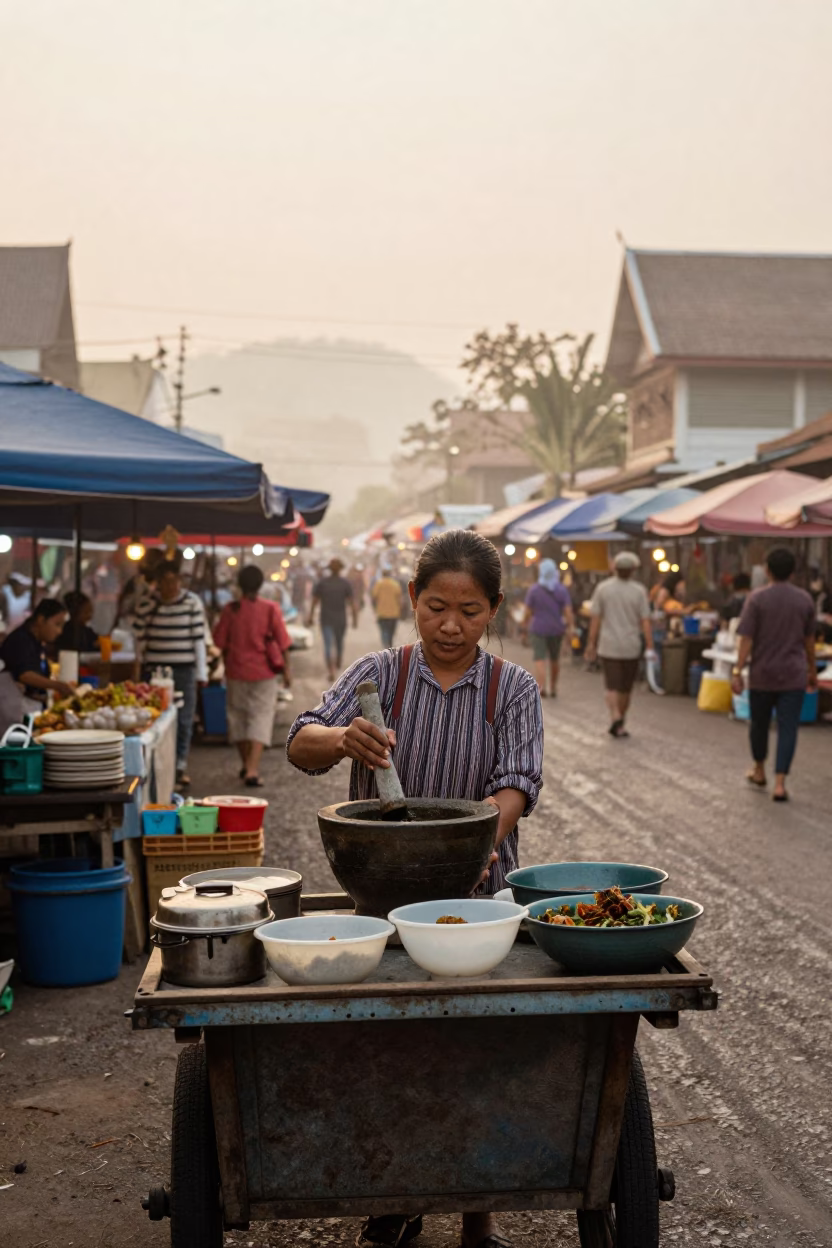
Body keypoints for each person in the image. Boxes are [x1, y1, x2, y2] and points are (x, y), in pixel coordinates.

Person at [287, 529, 542, 1248]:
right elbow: (301, 741)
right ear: (412, 600)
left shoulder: (513, 689)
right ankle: (395, 1199)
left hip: (478, 900)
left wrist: (474, 846)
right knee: (388, 1044)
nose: (451, 626)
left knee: (475, 1048)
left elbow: (517, 784)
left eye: (469, 610)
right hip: (382, 904)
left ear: (494, 610)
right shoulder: (380, 675)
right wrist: (344, 738)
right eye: (436, 608)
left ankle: (478, 1213)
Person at [732, 547, 816, 802]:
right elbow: (809, 640)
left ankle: (759, 769)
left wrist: (737, 670)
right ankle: (780, 783)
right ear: (792, 572)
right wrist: (812, 670)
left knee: (759, 724)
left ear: (767, 570)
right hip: (793, 675)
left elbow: (746, 638)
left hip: (763, 674)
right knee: (788, 727)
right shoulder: (804, 600)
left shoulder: (756, 599)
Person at [213, 565, 292, 788]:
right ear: (260, 585)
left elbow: (218, 643)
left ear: (239, 584)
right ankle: (252, 769)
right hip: (264, 673)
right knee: (261, 716)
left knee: (238, 717)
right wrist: (287, 671)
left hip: (236, 672)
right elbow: (283, 643)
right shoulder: (270, 608)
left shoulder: (231, 610)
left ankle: (246, 764)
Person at [133, 560, 208, 788]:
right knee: (155, 720)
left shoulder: (192, 602)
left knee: (184, 720)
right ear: (157, 583)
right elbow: (139, 642)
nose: (170, 586)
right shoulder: (146, 604)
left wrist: (202, 673)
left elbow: (199, 640)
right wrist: (136, 673)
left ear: (180, 580)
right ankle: (156, 768)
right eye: (164, 582)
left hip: (185, 670)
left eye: (174, 581)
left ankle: (179, 767)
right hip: (154, 671)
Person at [585, 551, 655, 738]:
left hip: (609, 645)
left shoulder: (603, 589)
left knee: (612, 685)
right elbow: (645, 621)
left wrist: (591, 643)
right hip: (631, 645)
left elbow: (595, 619)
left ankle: (615, 716)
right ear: (633, 570)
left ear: (615, 569)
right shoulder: (639, 591)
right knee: (626, 687)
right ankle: (620, 720)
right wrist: (650, 646)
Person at [0, 599, 73, 708]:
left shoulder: (37, 642)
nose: (60, 631)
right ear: (41, 620)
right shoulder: (20, 640)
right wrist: (58, 686)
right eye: (57, 624)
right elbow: (26, 675)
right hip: (13, 708)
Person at [521, 558, 574, 697]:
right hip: (557, 629)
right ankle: (554, 687)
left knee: (540, 658)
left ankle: (541, 686)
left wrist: (524, 625)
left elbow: (527, 612)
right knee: (555, 659)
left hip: (538, 629)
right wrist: (571, 627)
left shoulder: (534, 590)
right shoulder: (561, 590)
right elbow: (568, 612)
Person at [308, 558, 357, 684]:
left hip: (327, 619)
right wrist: (355, 618)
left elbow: (314, 601)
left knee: (329, 645)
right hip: (339, 619)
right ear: (340, 569)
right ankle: (336, 664)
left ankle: (332, 669)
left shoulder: (322, 583)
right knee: (338, 643)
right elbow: (352, 602)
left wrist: (310, 616)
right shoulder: (344, 583)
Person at [371, 566, 403, 649]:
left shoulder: (379, 584)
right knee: (391, 631)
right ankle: (389, 644)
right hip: (394, 613)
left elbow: (374, 597)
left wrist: (375, 608)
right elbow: (400, 598)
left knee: (384, 630)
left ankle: (386, 645)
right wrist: (400, 609)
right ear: (390, 574)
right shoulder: (395, 584)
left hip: (382, 612)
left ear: (382, 574)